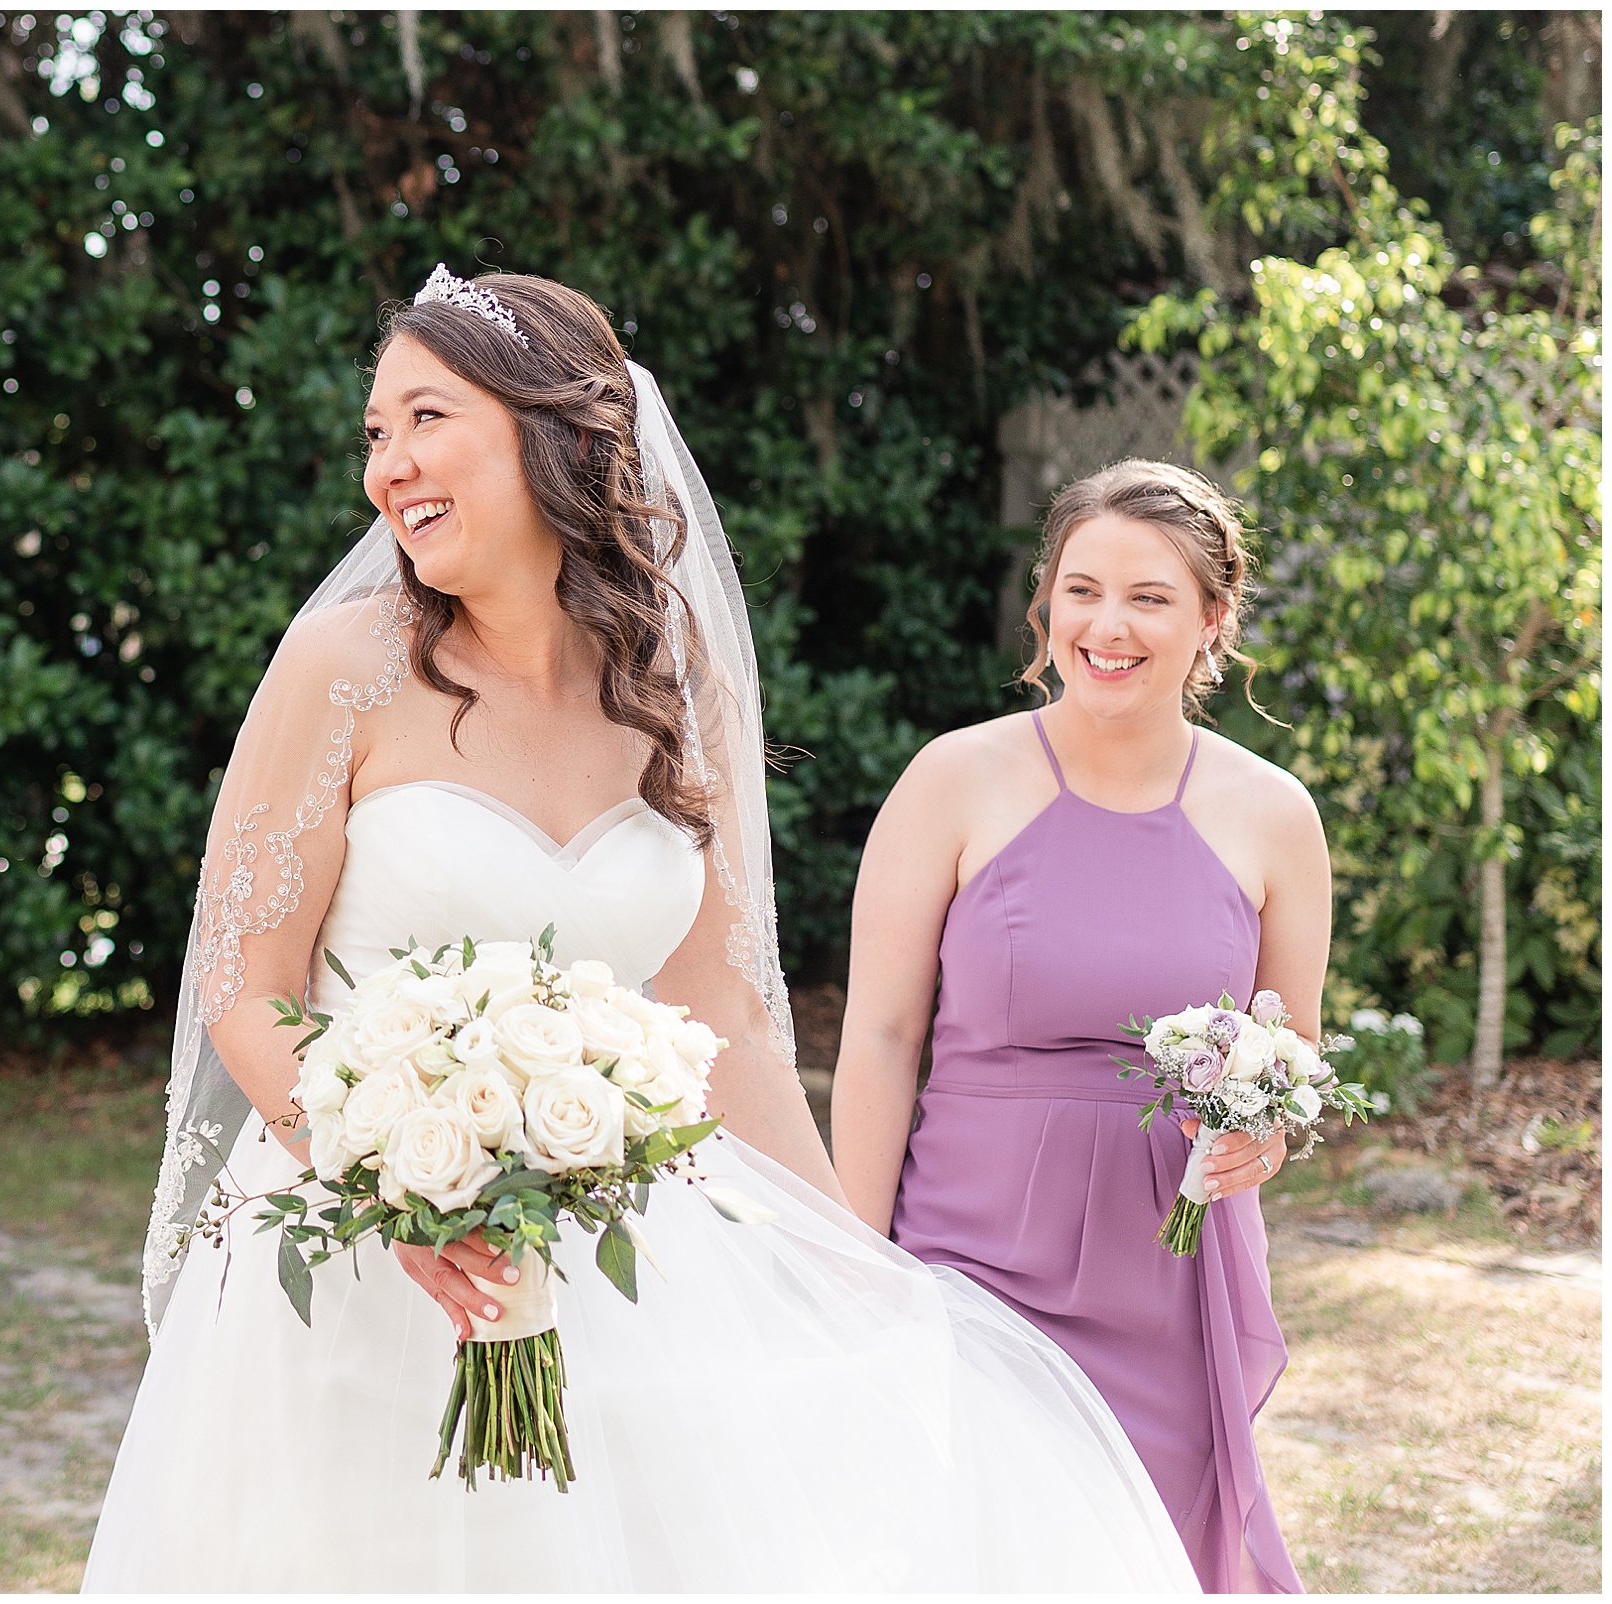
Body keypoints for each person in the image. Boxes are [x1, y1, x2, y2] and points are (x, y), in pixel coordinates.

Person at [81, 270, 1198, 1592]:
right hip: (358, 1262)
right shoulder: (344, 669)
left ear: (548, 434)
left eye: (425, 419)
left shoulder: (676, 685)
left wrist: (852, 1263)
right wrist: (393, 1189)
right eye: (375, 436)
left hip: (626, 1244)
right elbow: (245, 988)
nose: (387, 467)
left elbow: (721, 1011)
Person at [830, 458, 1324, 1593]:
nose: (1110, 624)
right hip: (970, 1261)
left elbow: (1291, 1067)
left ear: (1212, 618)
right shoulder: (952, 781)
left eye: (1151, 596)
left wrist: (1267, 1137)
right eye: (1082, 587)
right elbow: (882, 1036)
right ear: (1045, 602)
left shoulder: (1276, 817)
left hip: (1170, 1277)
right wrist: (862, 1270)